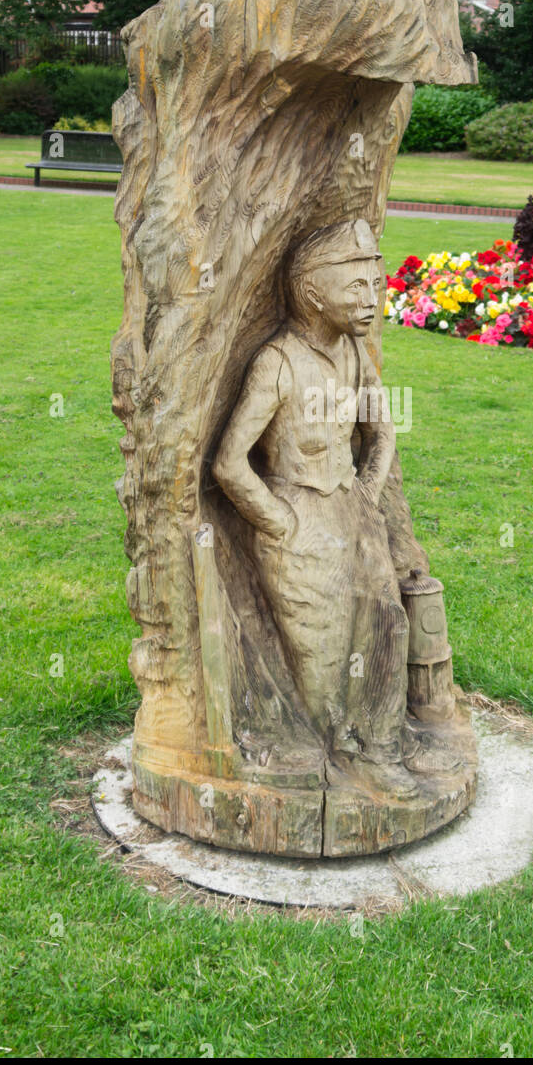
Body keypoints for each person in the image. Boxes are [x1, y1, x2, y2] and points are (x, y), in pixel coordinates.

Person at [213, 218, 420, 798]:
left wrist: (367, 496)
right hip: (299, 527)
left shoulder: (355, 354)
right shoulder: (277, 363)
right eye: (355, 287)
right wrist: (282, 524)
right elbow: (229, 463)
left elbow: (381, 434)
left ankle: (379, 750)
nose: (371, 299)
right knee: (322, 657)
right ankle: (329, 754)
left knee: (384, 623)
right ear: (311, 291)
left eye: (374, 285)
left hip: (353, 517)